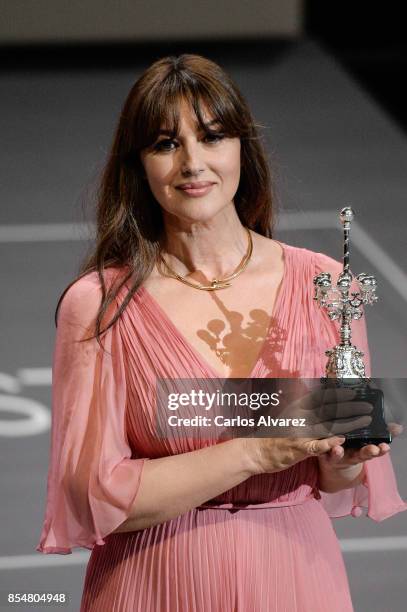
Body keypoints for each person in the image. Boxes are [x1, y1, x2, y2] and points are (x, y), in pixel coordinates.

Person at [36, 54, 406, 611]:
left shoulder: (325, 284)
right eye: (165, 144)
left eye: (212, 137)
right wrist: (257, 452)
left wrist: (343, 458)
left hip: (296, 579)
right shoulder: (99, 304)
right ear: (138, 165)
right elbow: (94, 496)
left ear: (241, 148)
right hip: (154, 584)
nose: (193, 163)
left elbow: (338, 478)